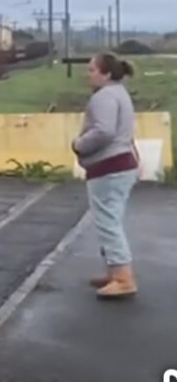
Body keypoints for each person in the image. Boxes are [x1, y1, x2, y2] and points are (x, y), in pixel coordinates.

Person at [72, 52, 139, 299]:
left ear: (106, 73)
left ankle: (123, 278)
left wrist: (78, 144)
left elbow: (103, 131)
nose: (88, 74)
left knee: (108, 222)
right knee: (112, 219)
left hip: (108, 166)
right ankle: (114, 270)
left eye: (92, 70)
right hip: (122, 164)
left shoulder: (104, 97)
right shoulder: (120, 93)